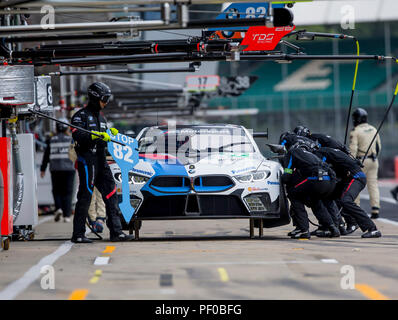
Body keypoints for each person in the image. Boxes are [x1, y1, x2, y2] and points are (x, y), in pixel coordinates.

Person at [70, 82, 134, 243]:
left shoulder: (101, 117)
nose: (106, 102)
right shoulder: (80, 116)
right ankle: (78, 234)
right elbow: (78, 136)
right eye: (104, 98)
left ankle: (116, 232)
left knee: (111, 193)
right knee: (85, 195)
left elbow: (103, 139)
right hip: (87, 159)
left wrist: (109, 135)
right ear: (95, 97)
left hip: (100, 159)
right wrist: (95, 135)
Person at [314, 147, 382, 238]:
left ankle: (373, 229)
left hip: (356, 177)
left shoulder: (321, 153)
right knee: (330, 197)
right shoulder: (329, 151)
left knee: (346, 200)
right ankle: (336, 227)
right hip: (350, 177)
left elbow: (321, 169)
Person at [281, 141, 340, 239]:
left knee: (293, 194)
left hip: (316, 180)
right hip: (330, 181)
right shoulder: (312, 156)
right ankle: (332, 227)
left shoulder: (292, 152)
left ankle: (304, 230)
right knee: (314, 201)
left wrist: (280, 179)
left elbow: (287, 175)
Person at [40, 119, 75, 223]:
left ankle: (58, 208)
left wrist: (43, 169)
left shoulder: (51, 139)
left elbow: (46, 156)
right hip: (69, 169)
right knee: (68, 192)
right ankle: (67, 215)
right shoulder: (70, 139)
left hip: (55, 169)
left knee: (57, 191)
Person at [349, 108, 381, 219]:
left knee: (356, 184)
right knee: (373, 185)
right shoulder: (373, 129)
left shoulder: (355, 131)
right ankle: (375, 208)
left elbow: (353, 149)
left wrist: (351, 162)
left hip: (361, 161)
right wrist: (375, 156)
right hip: (373, 160)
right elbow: (378, 146)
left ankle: (356, 207)